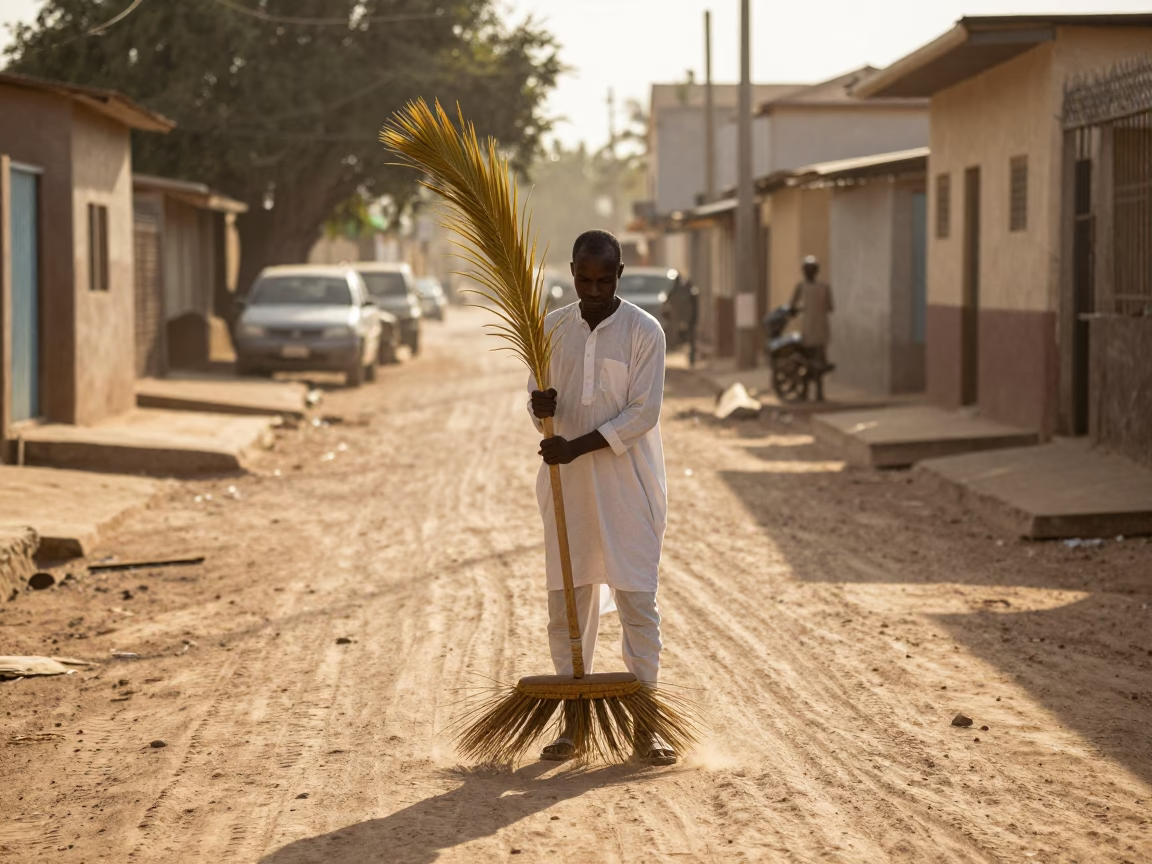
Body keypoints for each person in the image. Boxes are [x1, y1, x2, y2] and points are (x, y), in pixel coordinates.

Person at [528, 229, 674, 766]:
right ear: (572, 273)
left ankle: (647, 724)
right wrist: (537, 404)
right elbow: (538, 399)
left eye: (604, 280)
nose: (593, 289)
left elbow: (643, 414)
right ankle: (572, 725)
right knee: (569, 605)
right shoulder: (549, 329)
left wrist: (577, 447)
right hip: (567, 492)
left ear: (619, 276)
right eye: (584, 279)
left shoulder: (644, 331)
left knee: (637, 601)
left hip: (629, 488)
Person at [790, 255, 834, 401]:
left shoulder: (801, 287)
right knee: (819, 363)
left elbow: (792, 306)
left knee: (806, 363)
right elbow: (830, 307)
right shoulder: (824, 287)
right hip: (821, 331)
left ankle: (805, 392)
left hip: (807, 332)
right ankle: (819, 393)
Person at [663, 275, 700, 367]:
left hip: (680, 318)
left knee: (682, 339)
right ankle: (691, 360)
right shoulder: (689, 290)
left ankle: (690, 359)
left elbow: (666, 302)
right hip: (688, 318)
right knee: (690, 340)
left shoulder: (675, 290)